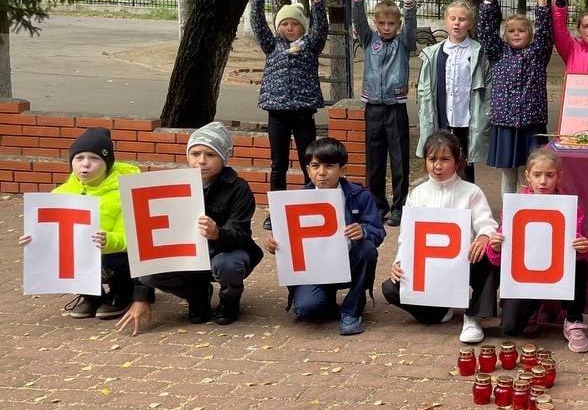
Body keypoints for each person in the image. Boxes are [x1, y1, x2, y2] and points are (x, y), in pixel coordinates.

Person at [117, 123, 263, 334]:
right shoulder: (169, 185)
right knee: (150, 274)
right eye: (195, 154)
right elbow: (148, 240)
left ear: (224, 157)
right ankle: (197, 295)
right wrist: (141, 297)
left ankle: (230, 299)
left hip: (224, 251)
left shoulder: (238, 188)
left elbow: (241, 233)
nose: (201, 160)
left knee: (228, 266)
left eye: (210, 154)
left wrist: (217, 233)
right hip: (186, 255)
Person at [380, 130, 497, 341]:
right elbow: (407, 236)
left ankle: (473, 317)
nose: (438, 166)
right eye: (432, 159)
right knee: (390, 288)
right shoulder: (417, 194)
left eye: (445, 159)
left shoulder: (471, 192)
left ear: (457, 161)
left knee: (490, 258)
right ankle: (438, 311)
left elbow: (487, 224)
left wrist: (483, 237)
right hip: (429, 266)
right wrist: (399, 262)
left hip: (463, 263)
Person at [262, 138, 384, 336]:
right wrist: (275, 243)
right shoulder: (295, 201)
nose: (322, 172)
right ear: (308, 170)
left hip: (349, 262)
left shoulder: (360, 196)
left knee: (367, 249)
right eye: (315, 166)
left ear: (342, 170)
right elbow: (285, 239)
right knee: (306, 309)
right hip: (314, 268)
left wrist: (364, 231)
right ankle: (326, 301)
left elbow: (378, 230)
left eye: (329, 166)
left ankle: (352, 309)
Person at [19, 128, 142, 319]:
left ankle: (122, 292)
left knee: (114, 258)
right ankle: (91, 295)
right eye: (79, 158)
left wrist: (109, 241)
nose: (85, 164)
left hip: (116, 255)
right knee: (63, 250)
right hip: (83, 252)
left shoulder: (125, 192)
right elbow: (51, 234)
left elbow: (133, 239)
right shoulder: (60, 194)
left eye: (94, 158)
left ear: (107, 163)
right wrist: (35, 240)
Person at [485, 147, 588, 352]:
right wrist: (496, 248)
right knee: (511, 328)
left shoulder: (569, 207)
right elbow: (498, 260)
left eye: (549, 175)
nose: (543, 181)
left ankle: (573, 319)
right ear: (527, 176)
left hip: (555, 270)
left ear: (559, 176)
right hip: (526, 274)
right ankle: (536, 306)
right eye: (537, 175)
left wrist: (581, 247)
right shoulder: (515, 206)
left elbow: (576, 246)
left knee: (580, 266)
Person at [249, 0, 328, 230]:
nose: (290, 28)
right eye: (285, 24)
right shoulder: (272, 45)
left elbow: (321, 29)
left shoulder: (310, 46)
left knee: (309, 163)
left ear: (302, 27)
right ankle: (276, 212)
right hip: (278, 114)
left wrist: (316, 0)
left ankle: (310, 207)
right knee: (278, 164)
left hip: (304, 113)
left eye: (295, 24)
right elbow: (258, 25)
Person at [352, 0, 417, 225]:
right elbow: (358, 19)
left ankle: (399, 206)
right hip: (373, 107)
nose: (387, 28)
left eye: (391, 24)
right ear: (376, 23)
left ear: (398, 25)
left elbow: (410, 25)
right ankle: (378, 205)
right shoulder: (369, 40)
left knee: (399, 159)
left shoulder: (404, 43)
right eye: (382, 24)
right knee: (375, 159)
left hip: (395, 107)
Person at [478, 0, 552, 194]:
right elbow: (486, 33)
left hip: (532, 123)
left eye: (522, 30)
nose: (516, 34)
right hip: (505, 123)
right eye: (511, 31)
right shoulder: (498, 52)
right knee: (509, 173)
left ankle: (531, 208)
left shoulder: (538, 53)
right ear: (505, 35)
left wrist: (542, 1)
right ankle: (508, 210)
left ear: (530, 33)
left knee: (533, 171)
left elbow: (546, 34)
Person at [417, 0, 490, 185]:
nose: (457, 23)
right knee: (440, 163)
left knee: (464, 166)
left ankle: (467, 201)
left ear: (470, 24)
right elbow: (425, 89)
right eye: (453, 18)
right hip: (441, 119)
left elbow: (487, 90)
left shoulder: (478, 52)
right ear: (446, 21)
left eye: (462, 19)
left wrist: (484, 116)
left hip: (466, 120)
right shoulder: (434, 53)